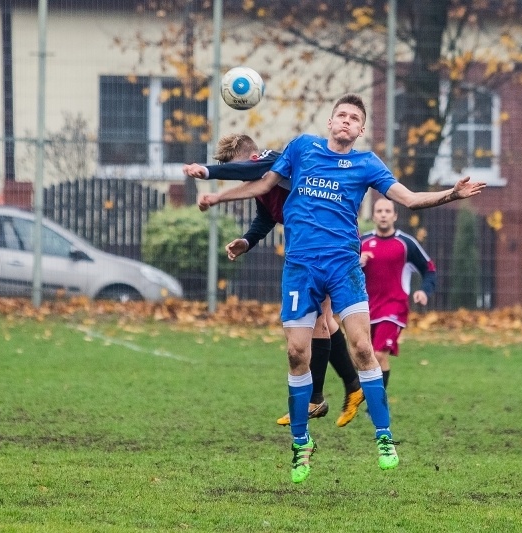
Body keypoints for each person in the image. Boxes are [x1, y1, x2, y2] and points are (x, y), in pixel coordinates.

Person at [188, 94, 486, 483]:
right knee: (296, 353)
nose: (346, 121)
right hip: (300, 267)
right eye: (340, 115)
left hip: (343, 266)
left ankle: (384, 437)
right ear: (330, 122)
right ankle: (301, 444)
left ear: (360, 130)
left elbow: (410, 200)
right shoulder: (301, 148)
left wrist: (450, 194)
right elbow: (263, 183)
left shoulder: (366, 164)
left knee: (364, 347)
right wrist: (216, 192)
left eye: (354, 118)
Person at [183, 134, 365, 428]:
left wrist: (207, 172)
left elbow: (246, 171)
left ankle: (317, 399)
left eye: (239, 171)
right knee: (325, 321)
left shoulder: (271, 160)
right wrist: (247, 240)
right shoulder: (263, 185)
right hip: (310, 249)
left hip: (332, 244)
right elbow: (266, 218)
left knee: (319, 321)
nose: (241, 181)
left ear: (250, 159)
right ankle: (352, 387)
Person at [360, 197, 437, 390]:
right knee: (364, 356)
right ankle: (370, 397)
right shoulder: (362, 243)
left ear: (394, 216)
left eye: (387, 211)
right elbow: (344, 271)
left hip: (394, 307)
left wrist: (424, 290)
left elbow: (429, 269)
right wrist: (357, 263)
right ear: (374, 216)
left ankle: (375, 404)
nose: (383, 215)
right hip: (366, 308)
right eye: (379, 211)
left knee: (379, 354)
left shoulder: (406, 244)